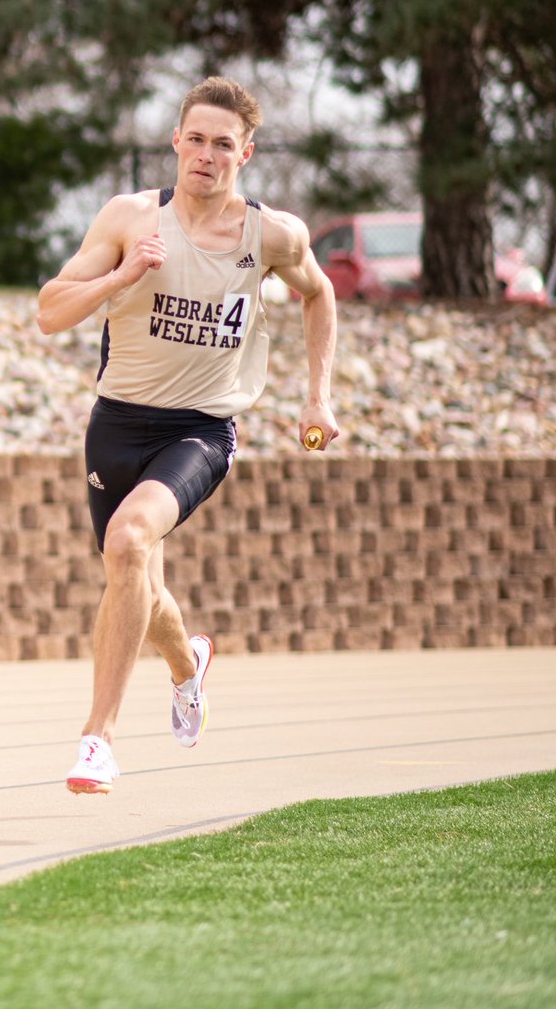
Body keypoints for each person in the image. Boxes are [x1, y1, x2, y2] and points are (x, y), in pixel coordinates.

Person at [36, 76, 339, 794]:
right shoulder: (129, 218)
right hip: (117, 421)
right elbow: (50, 312)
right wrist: (120, 277)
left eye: (222, 145)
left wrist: (317, 397)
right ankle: (186, 664)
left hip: (200, 429)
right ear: (176, 142)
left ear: (246, 154)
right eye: (195, 139)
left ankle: (96, 741)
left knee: (129, 542)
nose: (206, 155)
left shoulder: (271, 234)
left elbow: (318, 291)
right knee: (131, 574)